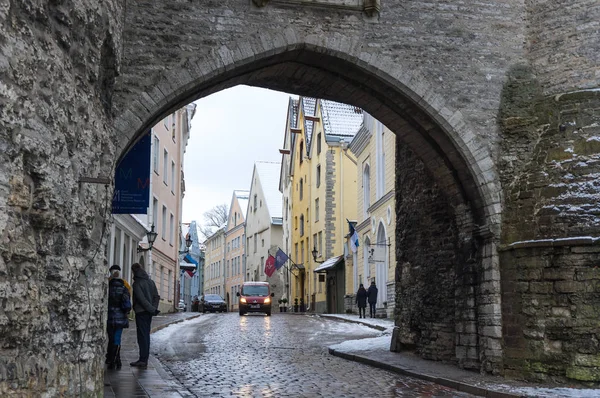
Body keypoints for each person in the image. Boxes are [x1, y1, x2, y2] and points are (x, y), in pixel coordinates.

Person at [129, 263, 160, 369]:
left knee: (142, 336)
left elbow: (141, 299)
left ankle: (143, 359)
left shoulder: (137, 283)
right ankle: (144, 358)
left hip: (141, 312)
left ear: (134, 271)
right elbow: (156, 297)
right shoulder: (151, 282)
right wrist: (153, 308)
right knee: (146, 335)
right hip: (149, 313)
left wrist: (151, 309)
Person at [106, 265, 131, 369]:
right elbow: (127, 305)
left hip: (109, 316)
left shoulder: (107, 286)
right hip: (120, 316)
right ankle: (116, 360)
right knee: (117, 338)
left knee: (111, 338)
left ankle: (112, 359)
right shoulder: (124, 287)